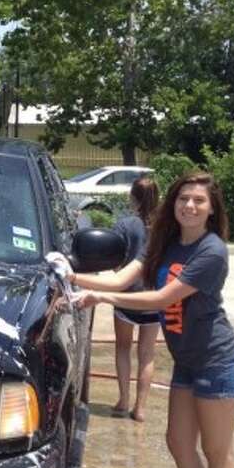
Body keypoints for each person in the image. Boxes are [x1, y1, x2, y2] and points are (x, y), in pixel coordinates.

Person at [71, 172, 234, 468]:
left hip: (216, 360)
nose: (190, 206)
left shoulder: (212, 251)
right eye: (183, 198)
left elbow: (163, 299)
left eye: (199, 200)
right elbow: (121, 280)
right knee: (178, 442)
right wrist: (70, 276)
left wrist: (101, 299)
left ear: (212, 209)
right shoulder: (164, 243)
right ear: (173, 203)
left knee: (217, 452)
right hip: (186, 361)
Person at [65, 176, 160, 422]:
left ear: (133, 198)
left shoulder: (126, 224)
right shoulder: (163, 226)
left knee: (123, 348)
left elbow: (114, 257)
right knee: (147, 353)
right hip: (153, 297)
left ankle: (123, 400)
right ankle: (140, 408)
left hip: (125, 295)